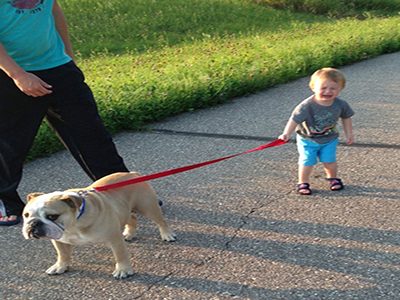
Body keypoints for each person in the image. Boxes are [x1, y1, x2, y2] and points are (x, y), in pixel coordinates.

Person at [0, 0, 129, 226]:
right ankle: (5, 201)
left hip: (59, 67)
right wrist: (18, 75)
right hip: (10, 76)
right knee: (11, 141)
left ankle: (124, 192)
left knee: (91, 133)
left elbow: (54, 10)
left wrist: (68, 55)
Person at [278, 67, 354, 195]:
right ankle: (303, 182)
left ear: (340, 89)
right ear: (313, 87)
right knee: (307, 161)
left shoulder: (341, 104)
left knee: (329, 161)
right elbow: (294, 119)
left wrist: (349, 134)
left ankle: (333, 178)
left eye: (333, 88)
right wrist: (286, 133)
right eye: (323, 88)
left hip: (329, 139)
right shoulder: (306, 106)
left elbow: (346, 118)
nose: (328, 91)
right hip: (308, 139)